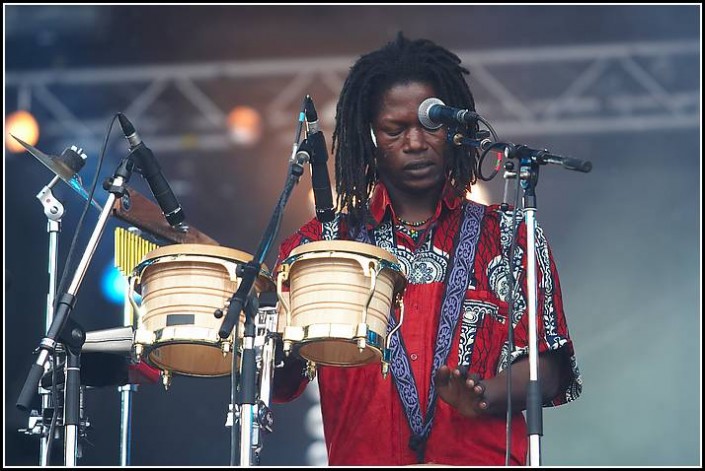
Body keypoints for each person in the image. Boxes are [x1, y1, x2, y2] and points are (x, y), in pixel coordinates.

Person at [272, 33, 581, 466]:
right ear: (370, 138)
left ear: (455, 130)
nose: (416, 143)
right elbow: (279, 385)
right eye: (395, 130)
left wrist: (483, 395)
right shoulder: (319, 246)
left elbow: (549, 366)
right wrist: (273, 335)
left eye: (430, 125)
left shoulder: (512, 234)